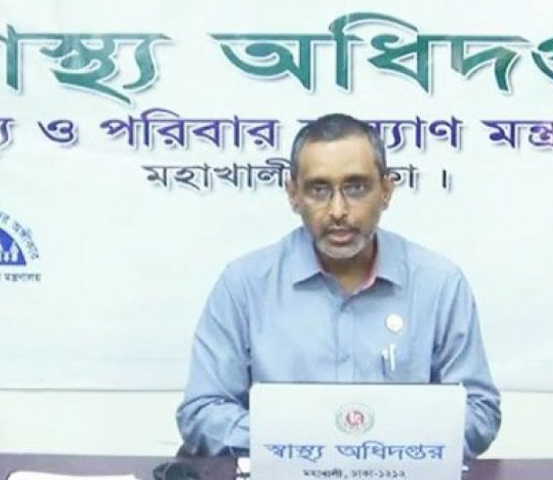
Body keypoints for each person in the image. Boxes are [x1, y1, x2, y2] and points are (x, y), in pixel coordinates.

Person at [176, 113, 501, 458]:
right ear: (293, 195)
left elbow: (479, 412)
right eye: (319, 190)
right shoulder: (244, 285)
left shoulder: (439, 284)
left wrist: (379, 448)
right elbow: (202, 411)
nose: (338, 210)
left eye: (356, 187)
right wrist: (308, 445)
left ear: (386, 191)